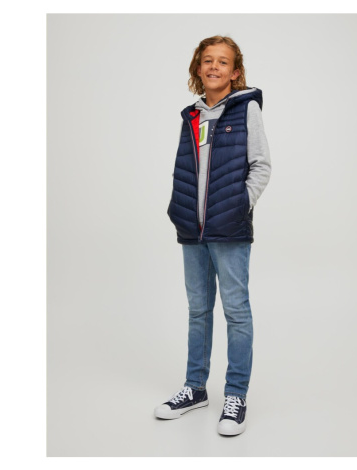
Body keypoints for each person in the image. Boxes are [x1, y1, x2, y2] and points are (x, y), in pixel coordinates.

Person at [154, 35, 271, 436]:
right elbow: (187, 168)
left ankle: (235, 394)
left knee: (236, 311)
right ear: (198, 68)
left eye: (223, 61)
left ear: (235, 72)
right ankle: (195, 388)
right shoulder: (191, 115)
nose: (214, 67)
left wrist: (240, 205)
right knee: (198, 311)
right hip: (192, 229)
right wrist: (179, 209)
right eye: (208, 60)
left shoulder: (246, 108)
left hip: (230, 229)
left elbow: (261, 165)